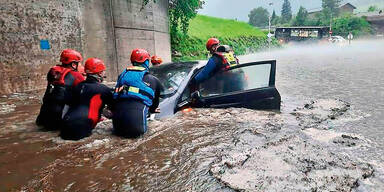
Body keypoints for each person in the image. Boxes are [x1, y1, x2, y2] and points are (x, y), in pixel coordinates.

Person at [112, 48, 163, 138]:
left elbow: (116, 96)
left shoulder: (122, 76)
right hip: (136, 125)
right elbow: (154, 104)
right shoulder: (154, 80)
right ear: (147, 62)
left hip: (117, 124)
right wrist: (153, 109)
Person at [60, 58, 113, 140]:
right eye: (103, 71)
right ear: (100, 73)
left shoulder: (77, 86)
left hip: (65, 127)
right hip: (82, 128)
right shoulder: (104, 89)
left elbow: (67, 105)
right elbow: (113, 109)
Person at [36, 49, 85, 130]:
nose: (80, 65)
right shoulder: (76, 76)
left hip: (43, 117)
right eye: (78, 63)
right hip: (59, 121)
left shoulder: (53, 72)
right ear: (73, 64)